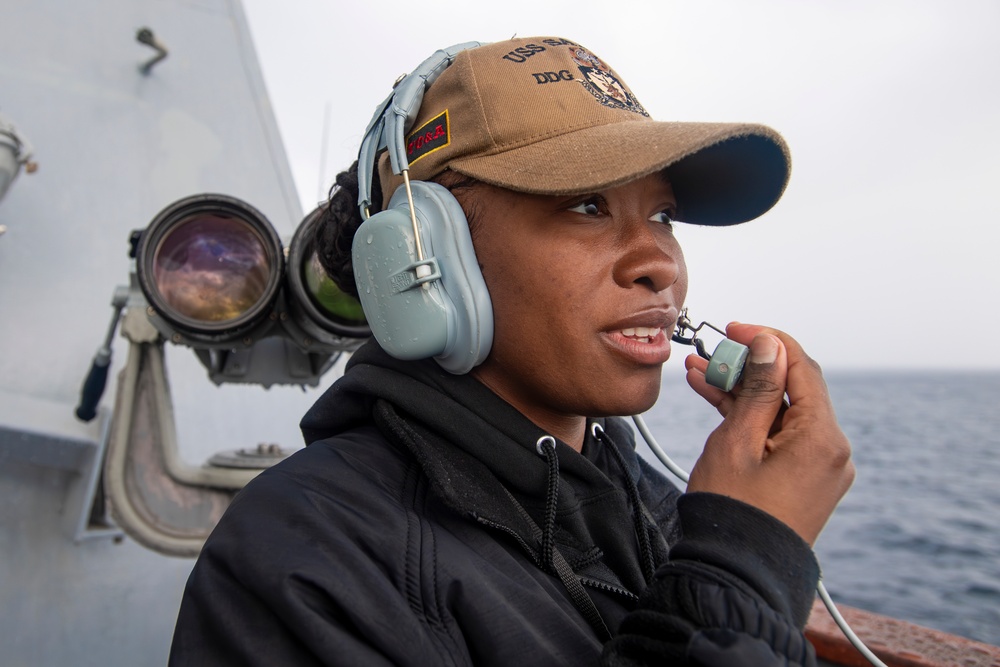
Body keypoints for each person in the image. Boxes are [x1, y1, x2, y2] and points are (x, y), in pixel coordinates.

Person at [169, 37, 854, 666]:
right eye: (586, 204)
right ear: (425, 254)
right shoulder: (300, 564)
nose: (659, 263)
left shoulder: (632, 493)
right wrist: (743, 561)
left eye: (663, 214)